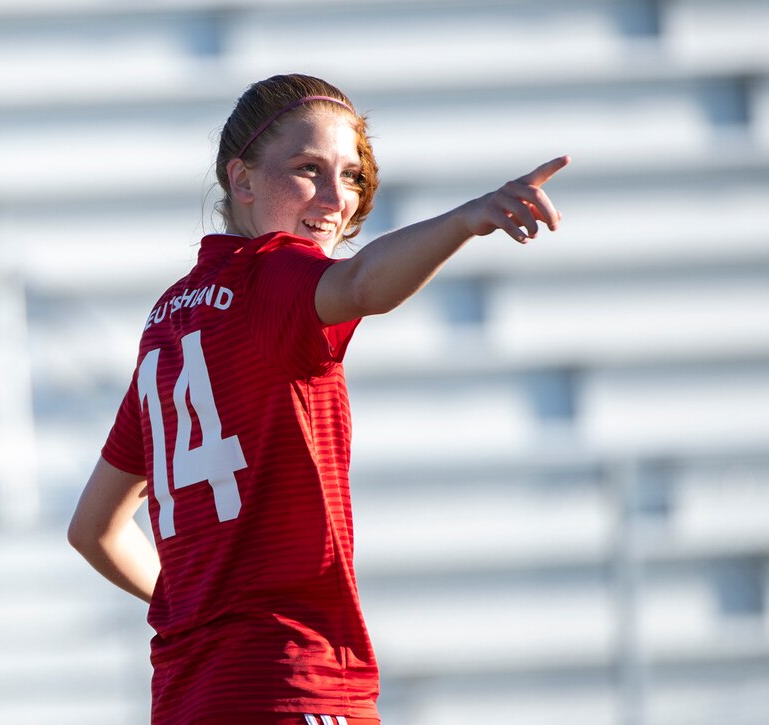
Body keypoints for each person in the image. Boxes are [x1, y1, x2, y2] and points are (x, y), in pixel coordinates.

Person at [68, 73, 569, 725]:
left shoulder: (166, 324)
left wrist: (200, 603)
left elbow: (94, 528)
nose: (337, 199)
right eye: (309, 170)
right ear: (241, 180)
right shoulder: (272, 279)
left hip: (190, 700)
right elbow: (362, 283)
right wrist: (467, 219)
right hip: (292, 685)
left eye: (352, 176)